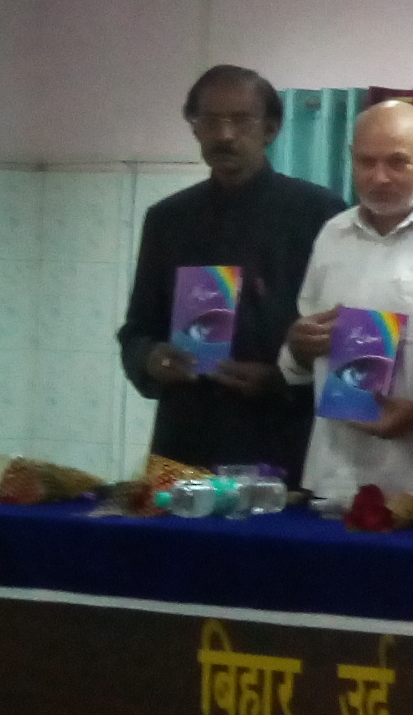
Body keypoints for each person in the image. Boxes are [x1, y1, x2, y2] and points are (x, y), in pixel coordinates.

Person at [117, 66, 342, 479]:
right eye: (210, 120)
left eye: (241, 121)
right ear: (195, 127)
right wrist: (150, 358)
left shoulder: (319, 213)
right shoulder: (168, 219)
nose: (224, 135)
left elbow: (342, 337)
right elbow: (136, 330)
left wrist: (280, 380)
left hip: (282, 441)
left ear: (270, 129)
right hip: (185, 440)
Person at [279, 101, 413, 510]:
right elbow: (297, 361)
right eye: (366, 162)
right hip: (333, 481)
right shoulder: (332, 234)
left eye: (397, 162)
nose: (380, 177)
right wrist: (296, 349)